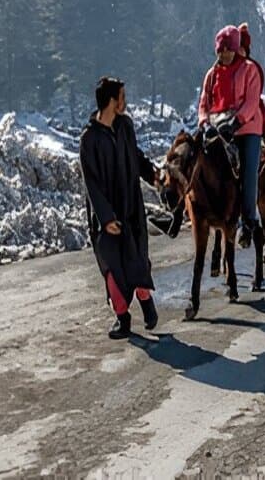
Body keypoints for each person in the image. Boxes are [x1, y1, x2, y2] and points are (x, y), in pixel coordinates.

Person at [80, 76, 158, 340]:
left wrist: (152, 174)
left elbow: (135, 155)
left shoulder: (125, 126)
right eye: (122, 97)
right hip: (106, 216)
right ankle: (122, 318)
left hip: (131, 206)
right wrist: (105, 217)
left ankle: (147, 303)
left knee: (136, 259)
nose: (125, 102)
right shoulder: (88, 140)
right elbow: (90, 182)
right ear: (112, 102)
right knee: (113, 267)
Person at [198, 25, 265, 249]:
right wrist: (204, 123)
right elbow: (204, 104)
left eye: (228, 50)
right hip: (217, 127)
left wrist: (236, 122)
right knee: (193, 160)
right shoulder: (211, 74)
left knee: (248, 172)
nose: (224, 54)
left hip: (246, 128)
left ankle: (248, 221)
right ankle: (182, 210)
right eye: (220, 50)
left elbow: (251, 101)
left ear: (236, 49)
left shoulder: (249, 70)